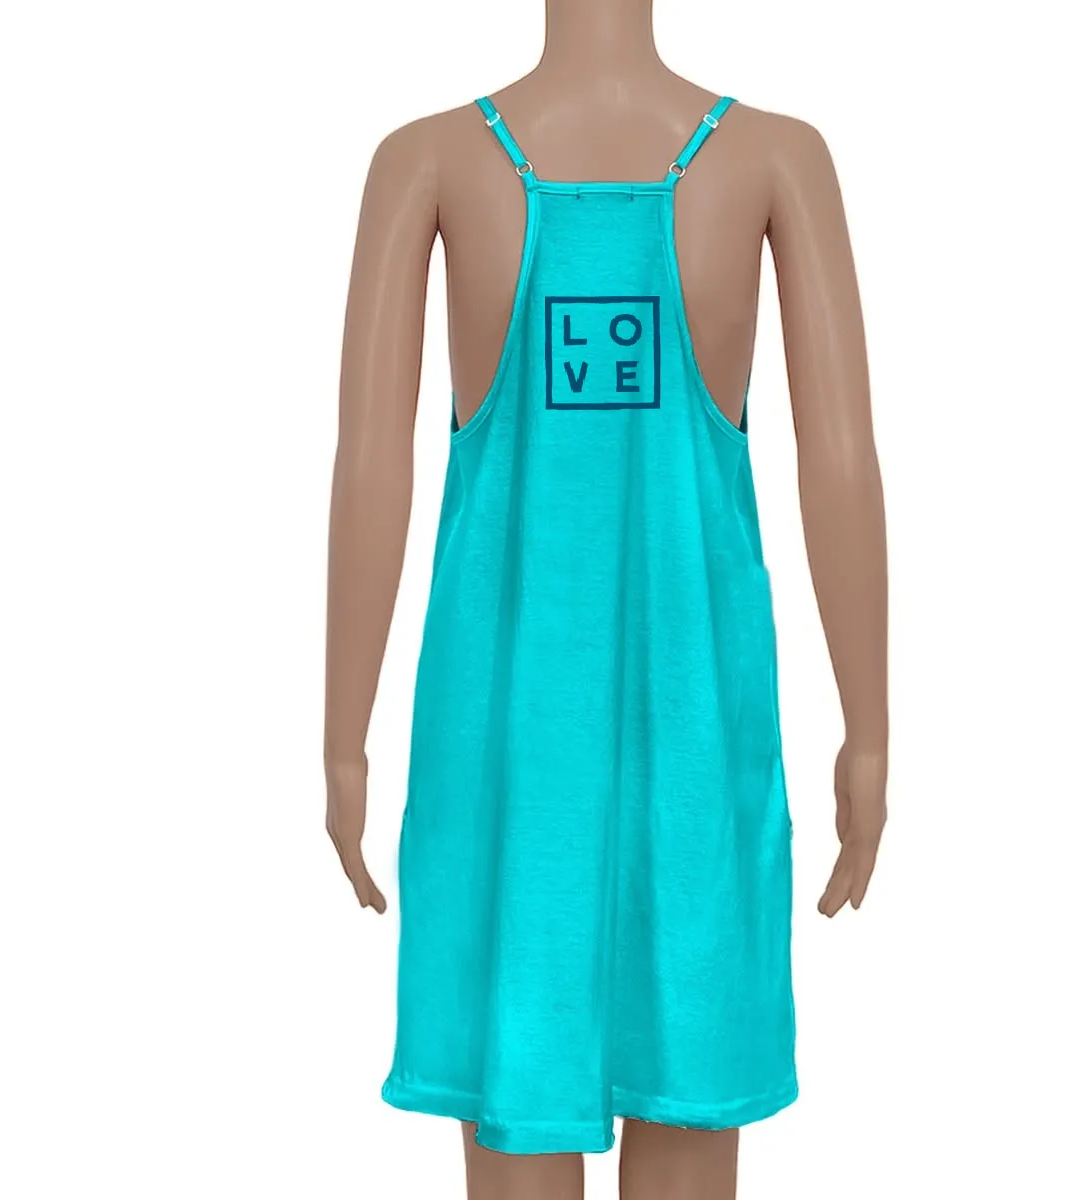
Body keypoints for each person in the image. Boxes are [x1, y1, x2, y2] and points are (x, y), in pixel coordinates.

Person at [324, 3, 888, 1197]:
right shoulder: (770, 161)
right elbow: (844, 461)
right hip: (689, 755)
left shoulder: (433, 163)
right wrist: (870, 733)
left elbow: (368, 466)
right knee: (687, 1116)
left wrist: (344, 743)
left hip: (511, 760)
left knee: (524, 1131)